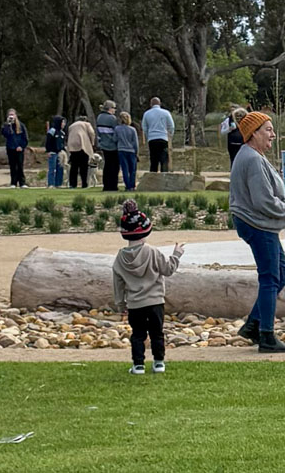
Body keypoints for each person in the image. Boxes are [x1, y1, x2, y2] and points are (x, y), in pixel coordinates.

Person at [229, 112, 285, 353]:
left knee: (281, 274)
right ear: (254, 133)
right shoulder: (252, 159)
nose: (273, 134)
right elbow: (263, 201)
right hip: (258, 224)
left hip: (259, 224)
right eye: (268, 129)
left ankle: (253, 324)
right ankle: (267, 335)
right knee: (271, 277)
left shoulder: (253, 156)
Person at [112, 200, 184, 374]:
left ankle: (138, 365)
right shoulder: (152, 251)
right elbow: (168, 270)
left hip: (135, 304)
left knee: (137, 335)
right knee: (156, 333)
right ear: (145, 231)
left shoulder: (119, 259)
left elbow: (118, 285)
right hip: (155, 301)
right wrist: (176, 255)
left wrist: (121, 305)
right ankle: (159, 362)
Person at [142, 96, 175, 172]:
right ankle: (164, 177)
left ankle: (153, 177)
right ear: (160, 103)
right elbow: (171, 126)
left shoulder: (146, 114)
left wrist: (148, 137)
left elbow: (144, 128)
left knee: (153, 161)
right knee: (164, 160)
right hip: (163, 138)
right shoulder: (166, 113)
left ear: (151, 104)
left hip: (152, 139)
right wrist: (170, 136)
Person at [1, 108, 29, 188]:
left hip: (19, 149)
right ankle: (13, 182)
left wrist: (21, 146)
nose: (11, 116)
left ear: (16, 115)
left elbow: (25, 138)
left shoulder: (21, 126)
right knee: (12, 166)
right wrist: (8, 125)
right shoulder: (6, 125)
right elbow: (5, 134)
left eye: (12, 115)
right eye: (10, 115)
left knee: (20, 166)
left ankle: (22, 183)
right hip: (10, 148)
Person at [96, 101, 120, 191]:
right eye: (114, 108)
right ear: (110, 109)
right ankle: (113, 185)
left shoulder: (99, 117)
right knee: (115, 166)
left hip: (103, 144)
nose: (114, 110)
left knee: (107, 166)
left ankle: (106, 185)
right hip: (112, 145)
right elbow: (116, 132)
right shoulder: (112, 118)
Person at [67, 115, 96, 188]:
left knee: (74, 166)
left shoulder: (71, 126)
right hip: (82, 145)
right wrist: (92, 143)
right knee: (84, 166)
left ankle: (72, 184)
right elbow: (92, 133)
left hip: (72, 146)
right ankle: (84, 183)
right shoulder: (87, 124)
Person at [116, 111, 141, 191]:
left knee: (125, 169)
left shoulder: (117, 129)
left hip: (121, 150)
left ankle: (127, 186)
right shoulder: (132, 129)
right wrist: (137, 152)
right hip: (131, 151)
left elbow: (114, 139)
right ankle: (132, 185)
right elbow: (135, 142)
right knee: (132, 170)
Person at [46, 115, 67, 188]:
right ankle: (51, 184)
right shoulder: (52, 131)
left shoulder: (62, 133)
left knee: (60, 169)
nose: (64, 124)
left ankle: (58, 183)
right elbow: (48, 141)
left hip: (60, 153)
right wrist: (48, 151)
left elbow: (62, 143)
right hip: (53, 152)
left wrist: (64, 151)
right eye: (62, 122)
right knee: (52, 169)